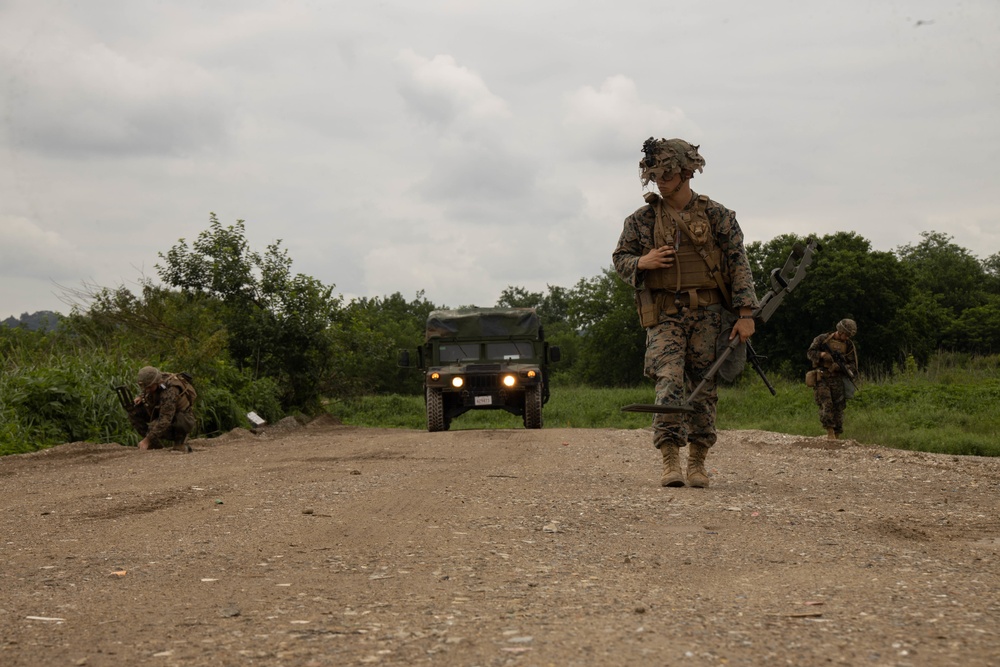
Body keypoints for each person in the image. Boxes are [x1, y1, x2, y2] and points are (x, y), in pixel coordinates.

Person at [613, 138, 757, 488]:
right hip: (665, 313)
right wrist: (642, 263)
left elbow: (739, 264)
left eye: (666, 174)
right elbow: (620, 259)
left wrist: (745, 313)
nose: (660, 182)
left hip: (708, 313)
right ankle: (670, 460)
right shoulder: (642, 219)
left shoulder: (718, 216)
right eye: (654, 176)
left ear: (687, 173)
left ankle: (697, 463)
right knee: (669, 381)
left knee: (704, 387)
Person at [807, 319, 859, 440]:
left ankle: (837, 434)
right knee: (826, 404)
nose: (846, 338)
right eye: (846, 335)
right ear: (840, 331)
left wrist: (842, 367)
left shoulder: (849, 345)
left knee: (839, 407)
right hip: (822, 377)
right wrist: (823, 355)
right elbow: (810, 353)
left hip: (838, 379)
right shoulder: (822, 339)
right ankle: (829, 432)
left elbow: (853, 365)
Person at [129, 366, 197, 453]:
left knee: (154, 426)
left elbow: (165, 419)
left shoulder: (170, 390)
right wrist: (141, 397)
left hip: (182, 418)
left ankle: (180, 442)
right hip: (162, 411)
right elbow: (148, 389)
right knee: (134, 412)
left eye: (149, 387)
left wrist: (147, 439)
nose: (147, 390)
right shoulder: (155, 381)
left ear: (157, 382)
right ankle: (155, 445)